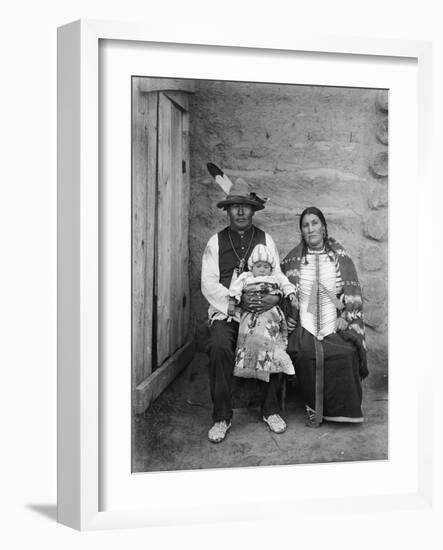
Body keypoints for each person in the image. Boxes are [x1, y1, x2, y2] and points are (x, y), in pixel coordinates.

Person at [202, 164, 287, 443]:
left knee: (272, 341)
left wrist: (273, 298)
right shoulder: (216, 242)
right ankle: (222, 417)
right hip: (228, 313)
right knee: (218, 345)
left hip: (261, 310)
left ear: (253, 210)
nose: (240, 212)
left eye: (245, 207)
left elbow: (277, 276)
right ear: (227, 211)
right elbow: (208, 282)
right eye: (234, 206)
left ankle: (270, 410)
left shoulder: (266, 240)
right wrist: (233, 304)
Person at [281, 206, 369, 427]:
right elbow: (282, 292)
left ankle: (343, 408)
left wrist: (346, 316)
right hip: (305, 321)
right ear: (301, 231)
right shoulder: (292, 260)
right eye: (305, 225)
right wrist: (290, 314)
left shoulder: (341, 258)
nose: (310, 229)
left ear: (323, 226)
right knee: (304, 353)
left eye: (314, 223)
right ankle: (313, 405)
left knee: (347, 352)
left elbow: (351, 293)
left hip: (334, 319)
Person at [228, 243, 297, 382]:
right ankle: (247, 365)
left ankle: (274, 361)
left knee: (268, 335)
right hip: (250, 312)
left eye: (266, 267)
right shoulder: (246, 276)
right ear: (252, 267)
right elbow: (235, 288)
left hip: (269, 312)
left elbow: (285, 284)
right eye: (258, 266)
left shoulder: (274, 277)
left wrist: (291, 295)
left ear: (270, 268)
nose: (262, 270)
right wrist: (232, 302)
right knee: (249, 335)